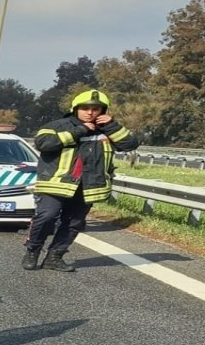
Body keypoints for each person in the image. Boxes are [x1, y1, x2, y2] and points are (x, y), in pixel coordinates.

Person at [23, 89, 140, 271]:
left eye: (96, 109)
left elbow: (130, 144)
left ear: (103, 110)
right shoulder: (58, 125)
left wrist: (112, 126)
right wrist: (81, 130)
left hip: (87, 186)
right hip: (56, 183)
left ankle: (54, 257)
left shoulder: (108, 130)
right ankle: (33, 250)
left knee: (74, 223)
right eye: (85, 108)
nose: (90, 112)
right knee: (47, 217)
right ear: (75, 108)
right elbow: (43, 143)